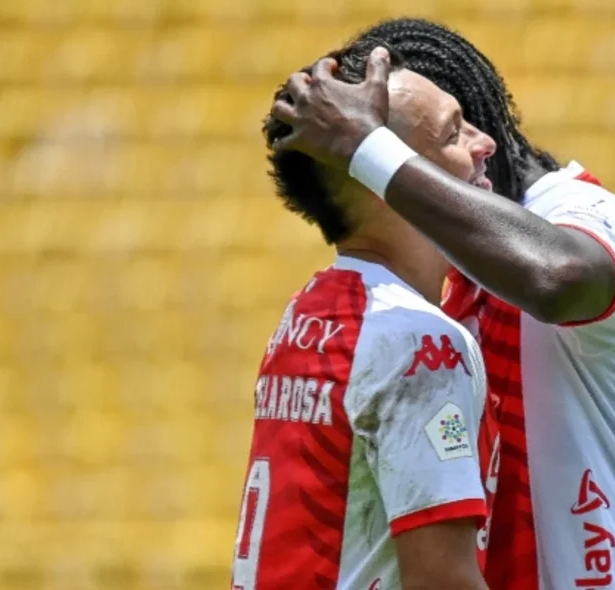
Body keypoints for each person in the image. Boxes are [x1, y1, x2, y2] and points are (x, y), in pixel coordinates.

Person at [272, 19, 615, 589]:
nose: (480, 143)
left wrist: (370, 152)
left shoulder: (586, 216)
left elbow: (556, 280)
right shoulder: (424, 277)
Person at [230, 40, 497, 590]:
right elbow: (442, 581)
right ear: (389, 178)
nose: (484, 143)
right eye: (453, 133)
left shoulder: (308, 315)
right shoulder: (422, 343)